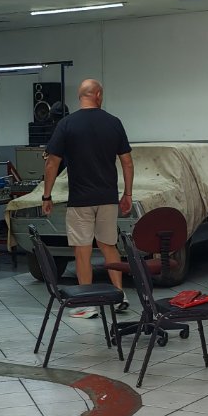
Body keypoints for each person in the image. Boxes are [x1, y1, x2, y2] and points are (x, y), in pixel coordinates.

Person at [40, 78, 134, 318]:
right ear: (98, 95)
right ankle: (119, 296)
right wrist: (128, 193)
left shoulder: (66, 124)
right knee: (108, 245)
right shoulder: (114, 123)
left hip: (80, 199)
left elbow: (52, 163)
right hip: (108, 198)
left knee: (82, 250)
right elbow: (127, 161)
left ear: (80, 96)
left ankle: (87, 304)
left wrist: (47, 195)